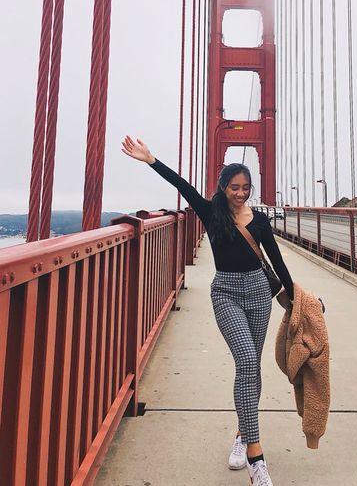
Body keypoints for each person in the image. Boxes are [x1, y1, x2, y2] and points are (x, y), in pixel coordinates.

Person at [122, 135, 294, 486]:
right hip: (226, 293)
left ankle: (241, 434)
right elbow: (182, 186)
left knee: (252, 369)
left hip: (259, 293)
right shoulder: (210, 212)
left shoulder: (259, 220)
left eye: (246, 187)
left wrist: (299, 298)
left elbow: (276, 262)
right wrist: (151, 159)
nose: (241, 193)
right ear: (222, 187)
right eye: (234, 187)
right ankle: (255, 456)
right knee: (246, 361)